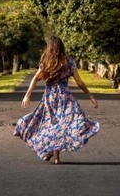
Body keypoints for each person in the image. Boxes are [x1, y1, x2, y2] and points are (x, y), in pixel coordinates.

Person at [14, 36, 100, 164]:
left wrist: (27, 95)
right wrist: (90, 95)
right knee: (64, 123)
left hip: (50, 97)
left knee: (52, 124)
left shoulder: (46, 62)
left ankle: (51, 153)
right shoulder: (69, 62)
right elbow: (79, 82)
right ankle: (54, 156)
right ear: (62, 47)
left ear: (50, 48)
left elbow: (35, 79)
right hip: (65, 97)